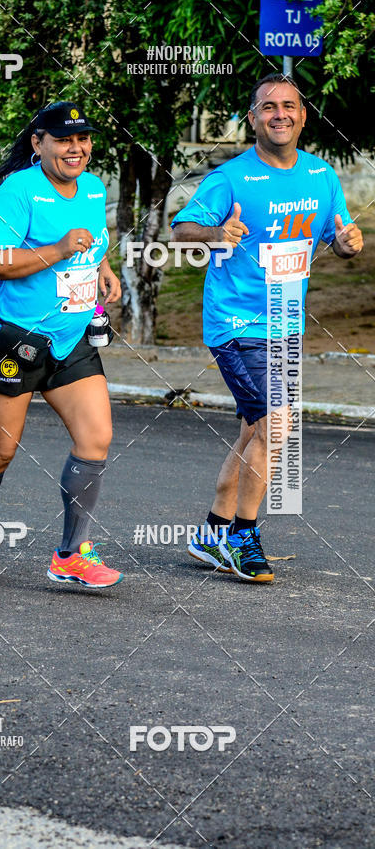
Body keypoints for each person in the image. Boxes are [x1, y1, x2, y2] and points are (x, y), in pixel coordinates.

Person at [171, 73, 364, 584]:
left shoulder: (321, 176)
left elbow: (336, 235)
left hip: (286, 323)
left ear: (303, 116)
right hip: (236, 323)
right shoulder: (231, 178)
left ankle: (212, 532)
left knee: (254, 430)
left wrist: (347, 243)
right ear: (252, 119)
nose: (279, 114)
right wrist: (215, 232)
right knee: (274, 428)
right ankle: (244, 536)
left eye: (289, 106)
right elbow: (181, 229)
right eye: (268, 107)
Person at [0, 101, 123, 589]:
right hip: (15, 339)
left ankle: (71, 554)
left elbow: (93, 243)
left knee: (96, 440)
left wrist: (103, 270)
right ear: (38, 144)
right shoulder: (18, 191)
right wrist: (58, 251)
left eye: (83, 139)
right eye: (64, 139)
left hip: (71, 338)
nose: (76, 148)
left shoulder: (92, 187)